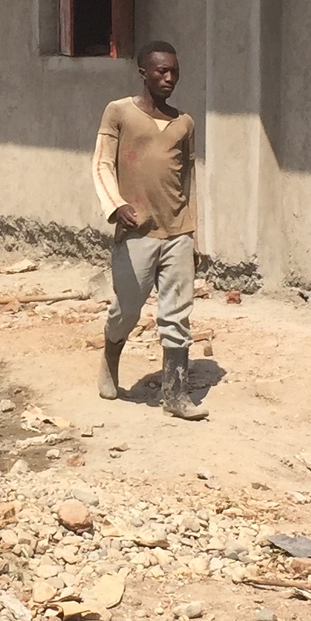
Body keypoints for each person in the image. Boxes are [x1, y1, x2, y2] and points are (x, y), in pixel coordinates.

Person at [92, 39, 203, 420]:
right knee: (127, 308)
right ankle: (110, 355)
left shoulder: (184, 123)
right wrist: (116, 205)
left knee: (177, 314)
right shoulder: (119, 112)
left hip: (176, 232)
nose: (169, 77)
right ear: (144, 73)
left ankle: (176, 394)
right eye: (161, 71)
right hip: (136, 230)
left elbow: (187, 181)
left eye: (174, 71)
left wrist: (194, 233)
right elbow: (101, 164)